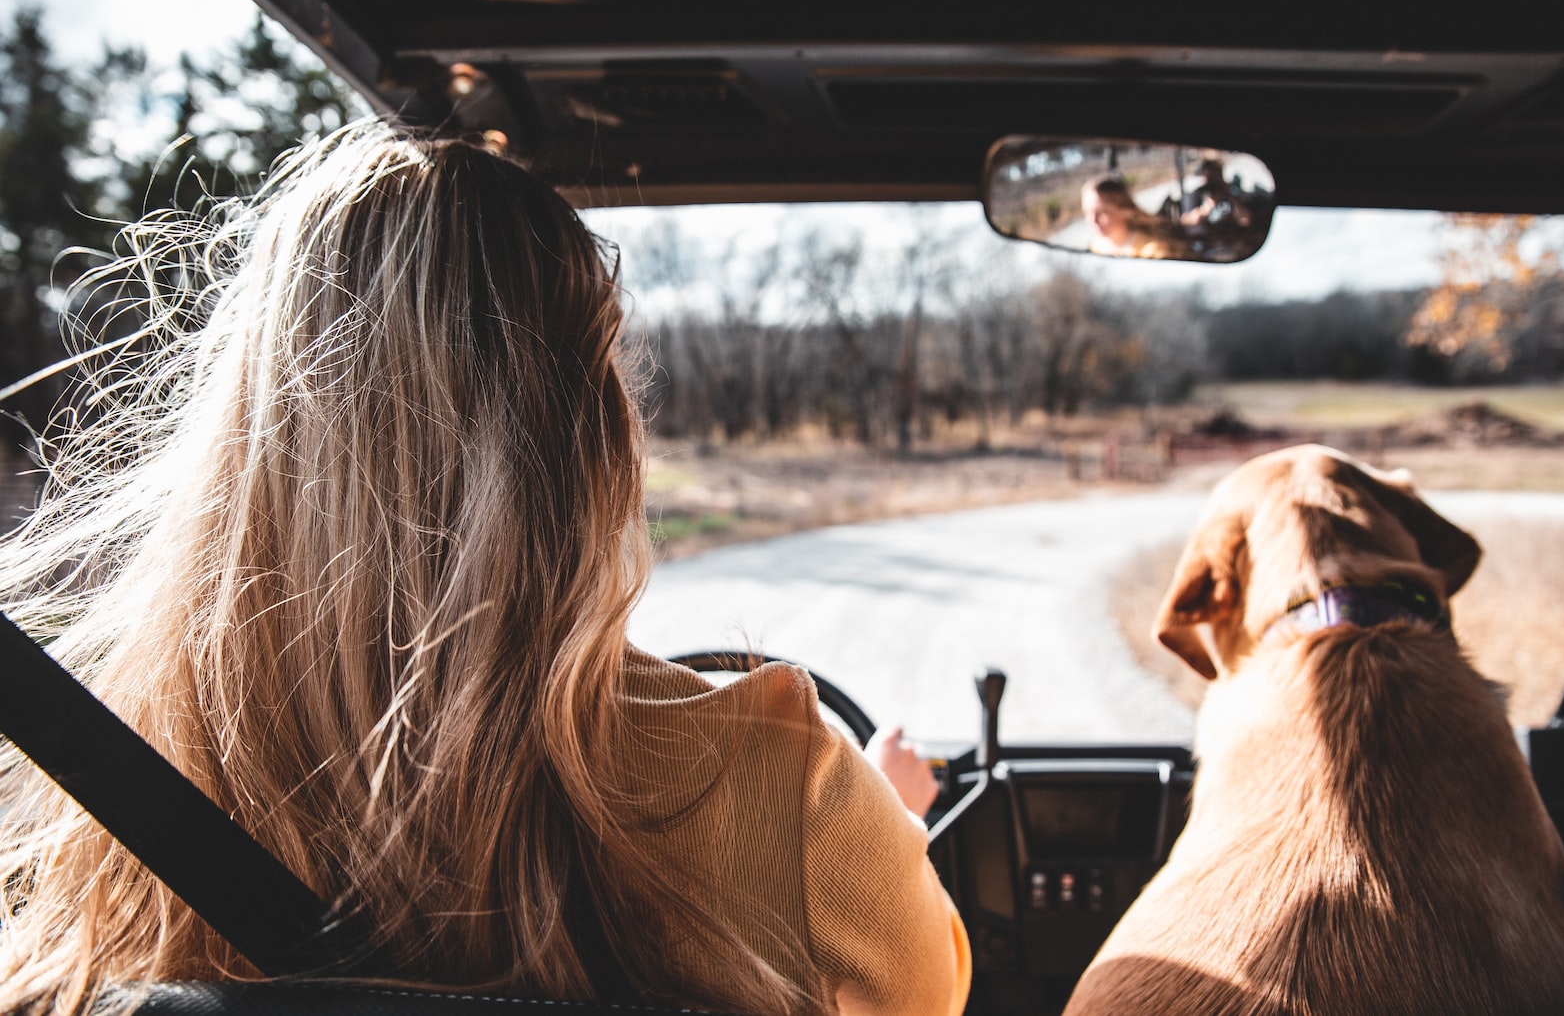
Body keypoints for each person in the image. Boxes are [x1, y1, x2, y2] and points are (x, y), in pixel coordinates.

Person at [0, 120, 969, 1015]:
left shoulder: (98, 795)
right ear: (594, 434)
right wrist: (892, 822)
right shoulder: (788, 787)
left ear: (252, 435)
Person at [1080, 174, 1179, 259]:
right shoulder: (1096, 246)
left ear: (1126, 211)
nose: (1093, 220)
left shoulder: (1153, 252)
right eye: (1087, 212)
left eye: (1102, 212)